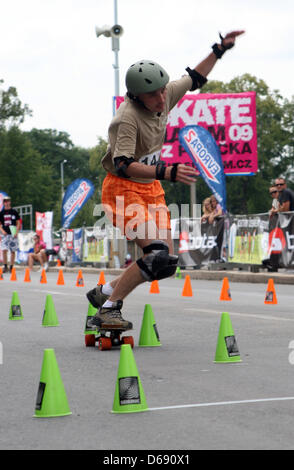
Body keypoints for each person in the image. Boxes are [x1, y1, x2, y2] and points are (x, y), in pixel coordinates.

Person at [86, 30, 245, 330]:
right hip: (122, 189)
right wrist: (167, 171)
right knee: (155, 253)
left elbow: (194, 78)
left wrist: (219, 49)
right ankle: (108, 309)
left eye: (162, 92)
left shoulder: (164, 94)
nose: (162, 99)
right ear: (135, 96)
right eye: (153, 95)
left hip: (151, 189)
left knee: (165, 263)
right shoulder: (127, 118)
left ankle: (104, 293)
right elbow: (124, 165)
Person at [0, 196, 21, 273]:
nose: (6, 203)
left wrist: (16, 231)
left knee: (13, 251)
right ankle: (5, 266)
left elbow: (18, 222)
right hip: (5, 234)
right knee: (4, 250)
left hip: (13, 232)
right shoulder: (1, 213)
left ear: (10, 202)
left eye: (8, 201)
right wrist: (2, 231)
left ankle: (11, 266)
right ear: (3, 203)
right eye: (5, 201)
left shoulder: (14, 212)